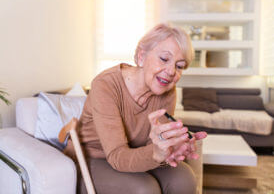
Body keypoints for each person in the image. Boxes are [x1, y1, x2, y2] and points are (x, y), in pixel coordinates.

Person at [64, 23, 207, 194]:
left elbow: (152, 145)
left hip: (132, 155)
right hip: (92, 158)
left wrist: (171, 147)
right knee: (144, 189)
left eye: (179, 66)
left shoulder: (166, 90)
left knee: (184, 179)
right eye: (164, 59)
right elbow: (118, 156)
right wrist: (156, 152)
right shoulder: (106, 85)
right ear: (141, 57)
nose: (171, 72)